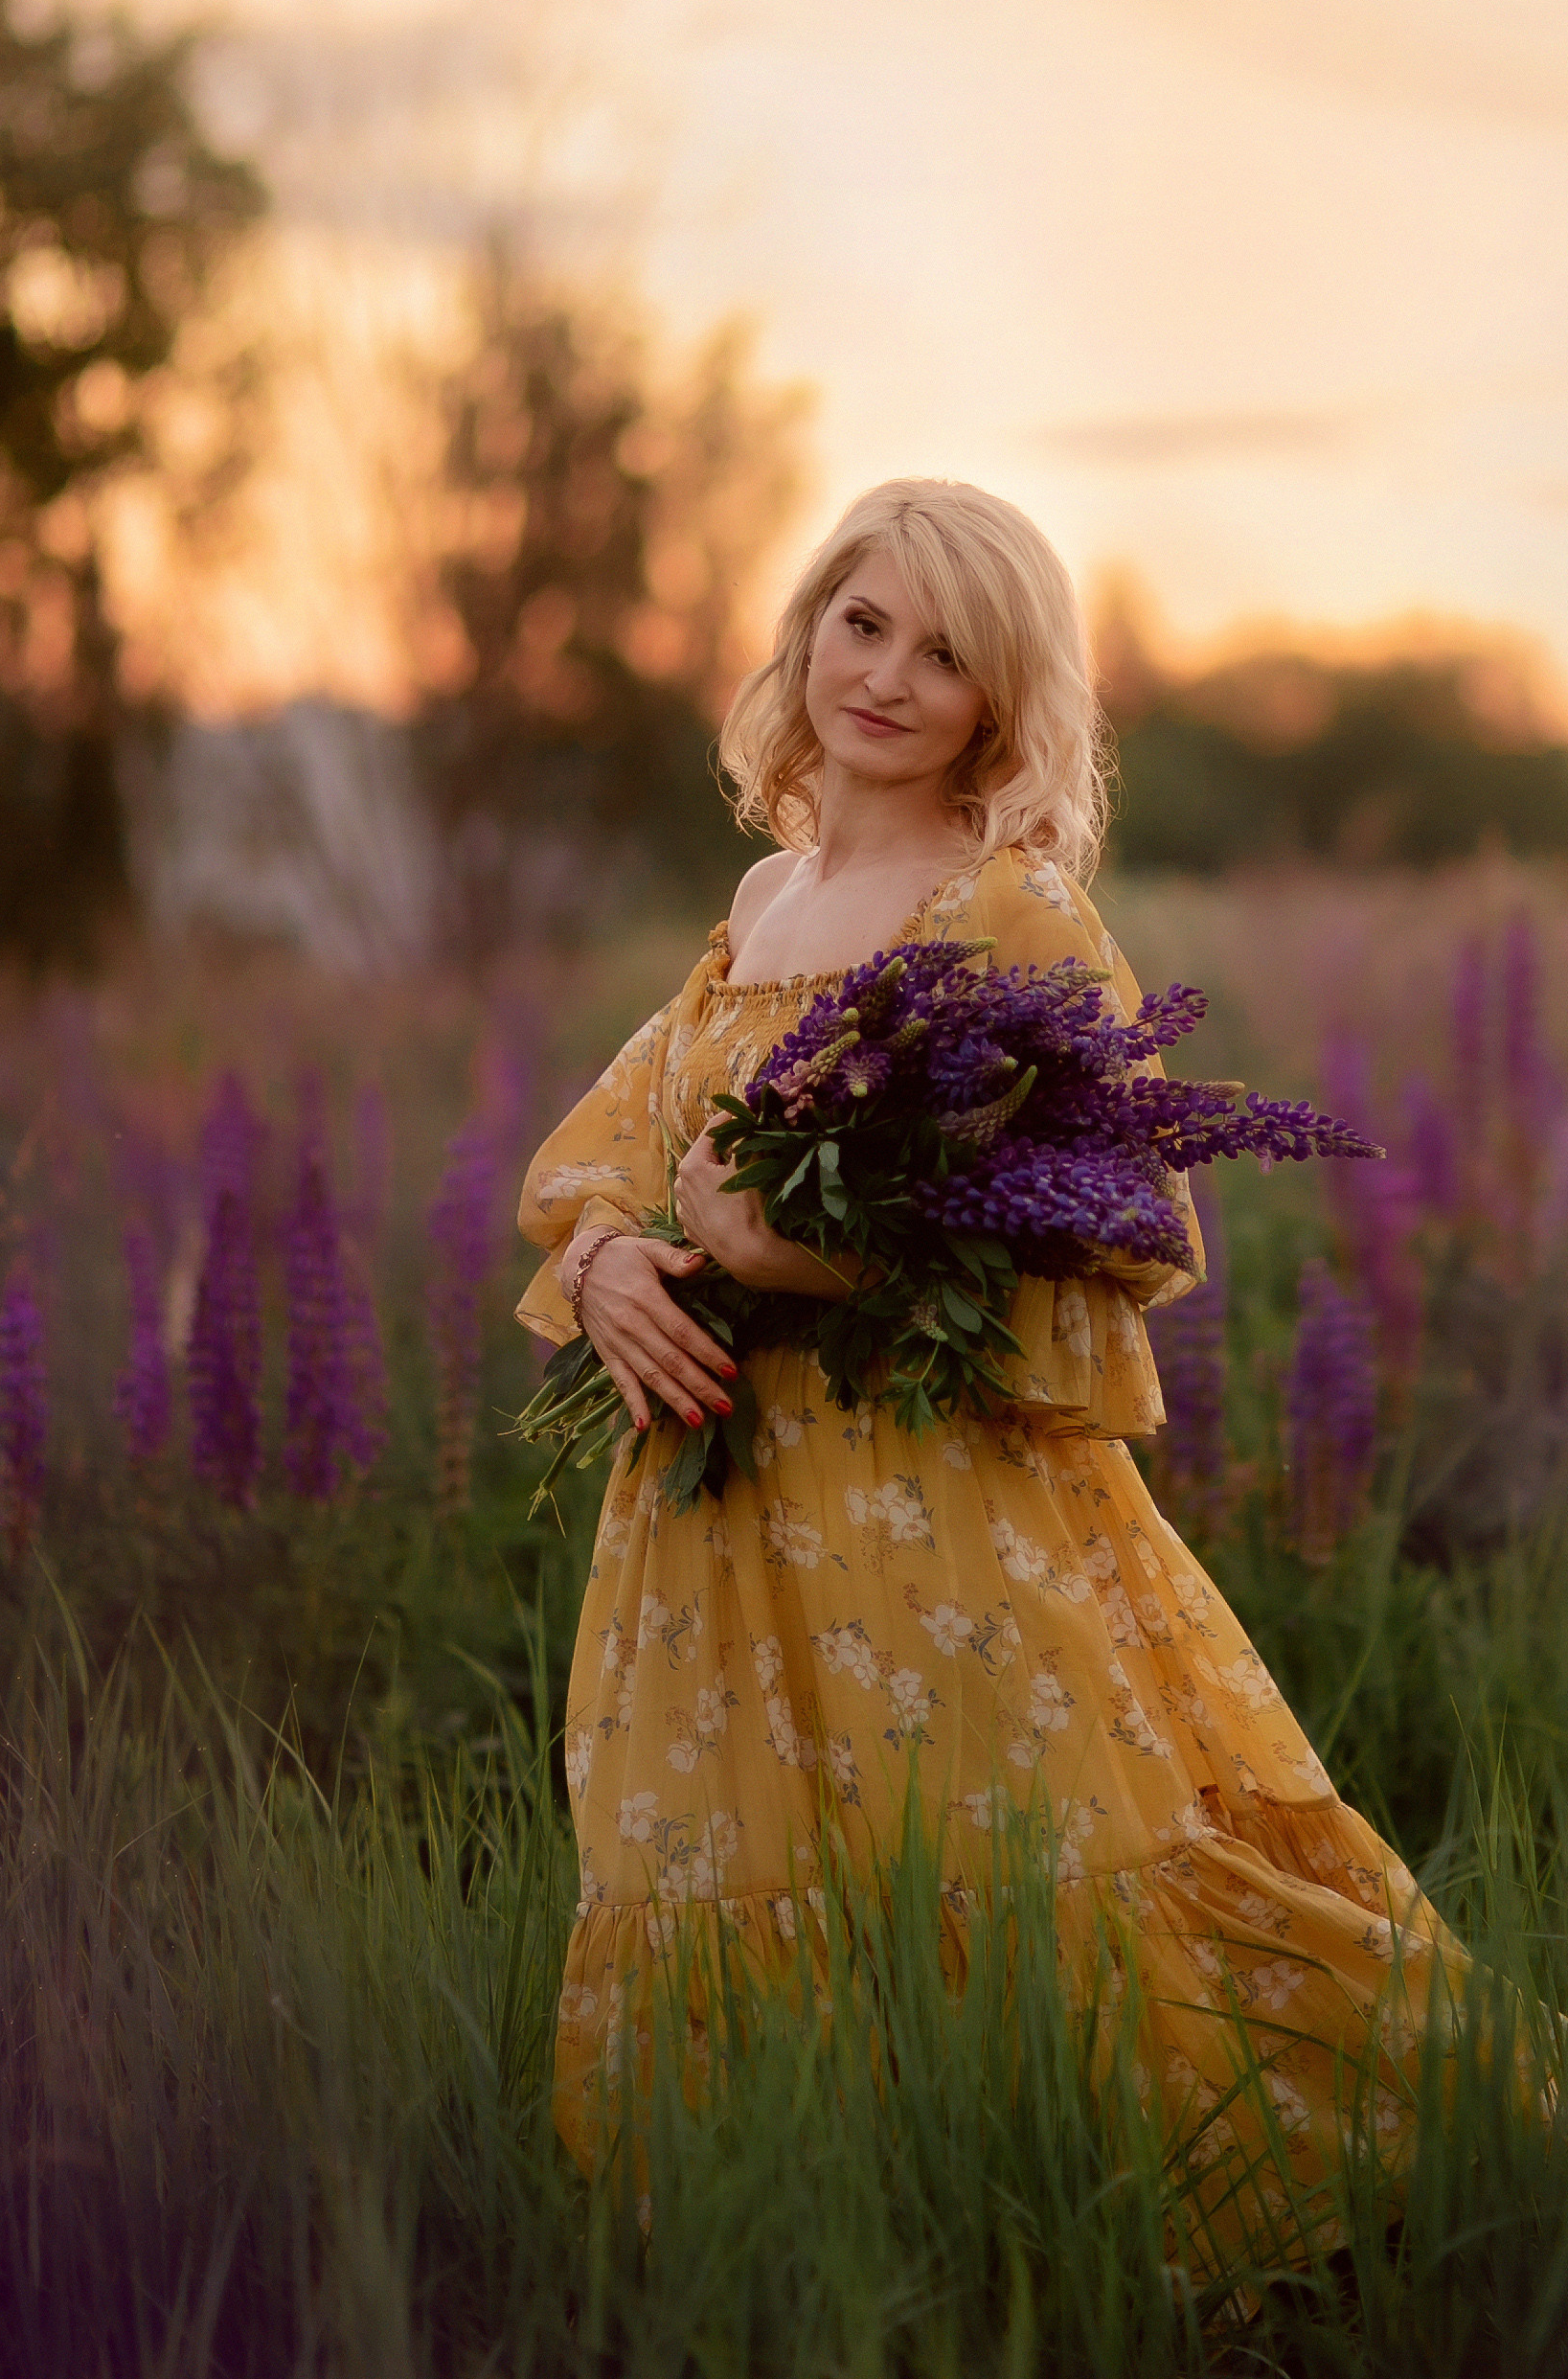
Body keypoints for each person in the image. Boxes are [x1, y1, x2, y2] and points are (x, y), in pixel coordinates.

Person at [515, 477, 1515, 2263]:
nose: (887, 677)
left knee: (999, 1874)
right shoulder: (761, 897)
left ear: (1002, 699)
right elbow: (603, 1147)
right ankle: (811, 2280)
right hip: (711, 1513)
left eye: (947, 653)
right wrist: (602, 1266)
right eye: (863, 621)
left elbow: (1127, 1220)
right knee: (743, 1873)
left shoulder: (1008, 909)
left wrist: (789, 1251)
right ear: (808, 625)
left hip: (925, 1517)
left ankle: (1104, 2261)